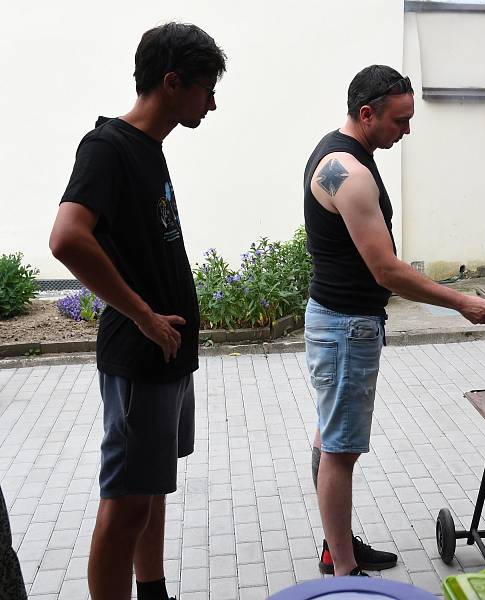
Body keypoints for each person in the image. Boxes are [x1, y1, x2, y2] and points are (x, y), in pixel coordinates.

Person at [49, 23, 226, 600]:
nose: (212, 102)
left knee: (152, 489)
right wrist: (143, 315)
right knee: (124, 504)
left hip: (168, 354)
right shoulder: (107, 148)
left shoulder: (149, 149)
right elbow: (67, 239)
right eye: (206, 88)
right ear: (172, 82)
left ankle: (152, 591)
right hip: (139, 355)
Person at [303, 64, 485, 577]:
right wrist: (460, 303)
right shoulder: (351, 173)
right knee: (340, 451)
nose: (406, 131)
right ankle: (344, 573)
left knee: (329, 440)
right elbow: (386, 269)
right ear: (366, 114)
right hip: (346, 326)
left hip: (335, 319)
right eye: (399, 121)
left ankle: (336, 546)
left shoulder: (335, 153)